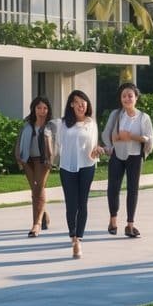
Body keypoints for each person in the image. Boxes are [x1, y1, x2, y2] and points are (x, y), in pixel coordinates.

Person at [102, 82, 153, 238]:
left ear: (136, 98)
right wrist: (113, 141)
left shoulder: (144, 117)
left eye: (130, 96)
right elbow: (107, 134)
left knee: (133, 189)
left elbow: (149, 138)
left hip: (135, 156)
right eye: (124, 96)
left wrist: (131, 137)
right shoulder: (116, 114)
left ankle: (130, 224)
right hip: (117, 154)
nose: (127, 99)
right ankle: (113, 220)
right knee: (113, 188)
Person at [58, 89, 103, 258]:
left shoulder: (91, 123)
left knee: (82, 203)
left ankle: (79, 239)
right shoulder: (64, 124)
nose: (81, 105)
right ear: (71, 104)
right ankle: (72, 234)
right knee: (71, 203)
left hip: (87, 166)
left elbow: (93, 145)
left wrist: (96, 151)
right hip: (67, 167)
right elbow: (61, 144)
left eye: (83, 102)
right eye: (77, 102)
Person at [15, 95, 56, 238]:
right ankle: (43, 215)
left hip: (43, 160)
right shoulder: (27, 124)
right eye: (39, 108)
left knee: (39, 187)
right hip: (28, 160)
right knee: (35, 190)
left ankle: (36, 225)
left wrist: (52, 159)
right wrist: (18, 157)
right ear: (34, 108)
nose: (42, 111)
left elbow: (56, 144)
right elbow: (19, 140)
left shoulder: (51, 125)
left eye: (45, 108)